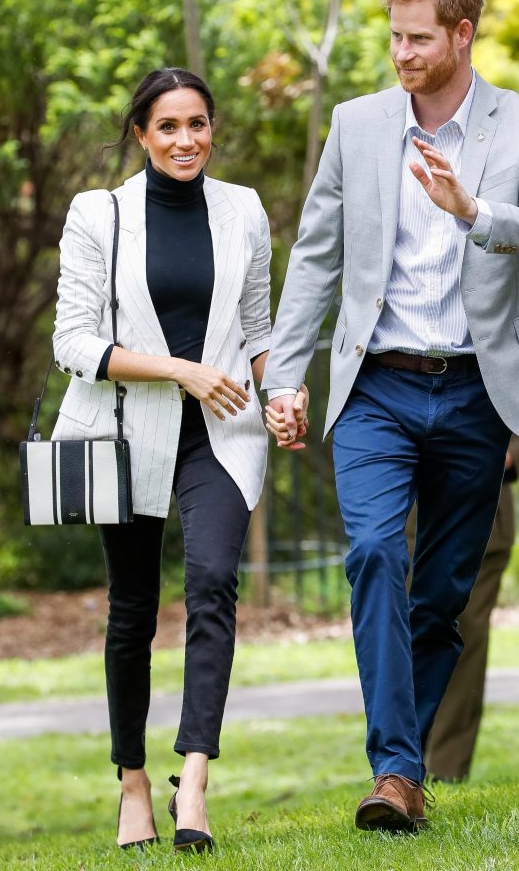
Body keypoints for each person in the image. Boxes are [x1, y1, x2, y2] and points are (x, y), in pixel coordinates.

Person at [263, 0, 519, 833]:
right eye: (393, 36)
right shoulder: (358, 125)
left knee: (442, 595)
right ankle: (396, 772)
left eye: (417, 38)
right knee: (373, 554)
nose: (400, 52)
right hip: (377, 387)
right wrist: (284, 374)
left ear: (461, 35)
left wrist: (473, 207)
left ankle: (401, 772)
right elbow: (318, 257)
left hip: (479, 391)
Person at [52, 67, 306, 853]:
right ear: (141, 134)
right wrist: (181, 370)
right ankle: (132, 782)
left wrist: (282, 392)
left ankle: (193, 779)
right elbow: (74, 342)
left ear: (212, 127)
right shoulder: (101, 214)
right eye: (168, 126)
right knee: (131, 613)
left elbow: (260, 330)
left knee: (211, 585)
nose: (186, 140)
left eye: (197, 124)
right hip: (128, 434)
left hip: (220, 435)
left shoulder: (244, 210)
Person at [423, 434, 519, 782]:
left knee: (465, 643)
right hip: (410, 515)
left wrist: (511, 451)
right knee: (409, 637)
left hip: (485, 512)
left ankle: (445, 773)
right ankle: (398, 769)